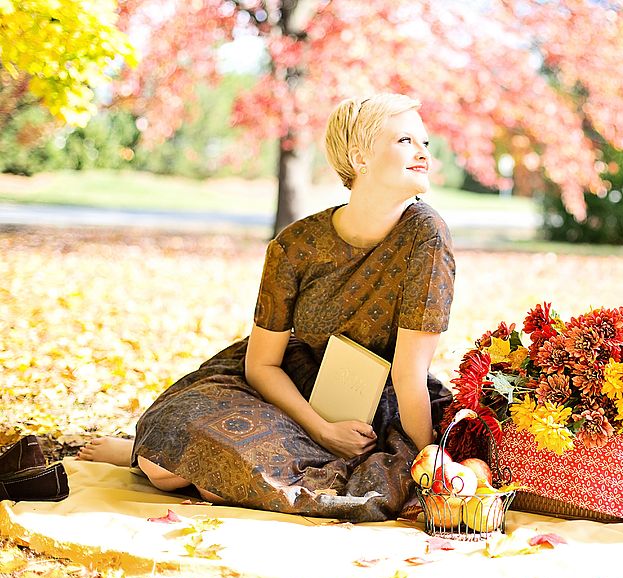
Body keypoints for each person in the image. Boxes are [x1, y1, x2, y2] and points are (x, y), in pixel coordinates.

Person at [77, 92, 456, 522]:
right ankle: (145, 454)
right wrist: (320, 428)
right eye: (406, 139)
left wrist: (430, 465)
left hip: (377, 403)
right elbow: (262, 364)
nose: (424, 151)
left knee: (208, 474)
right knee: (161, 464)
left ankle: (187, 468)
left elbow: (409, 375)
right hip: (287, 389)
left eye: (424, 142)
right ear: (360, 156)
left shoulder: (427, 234)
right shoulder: (294, 245)